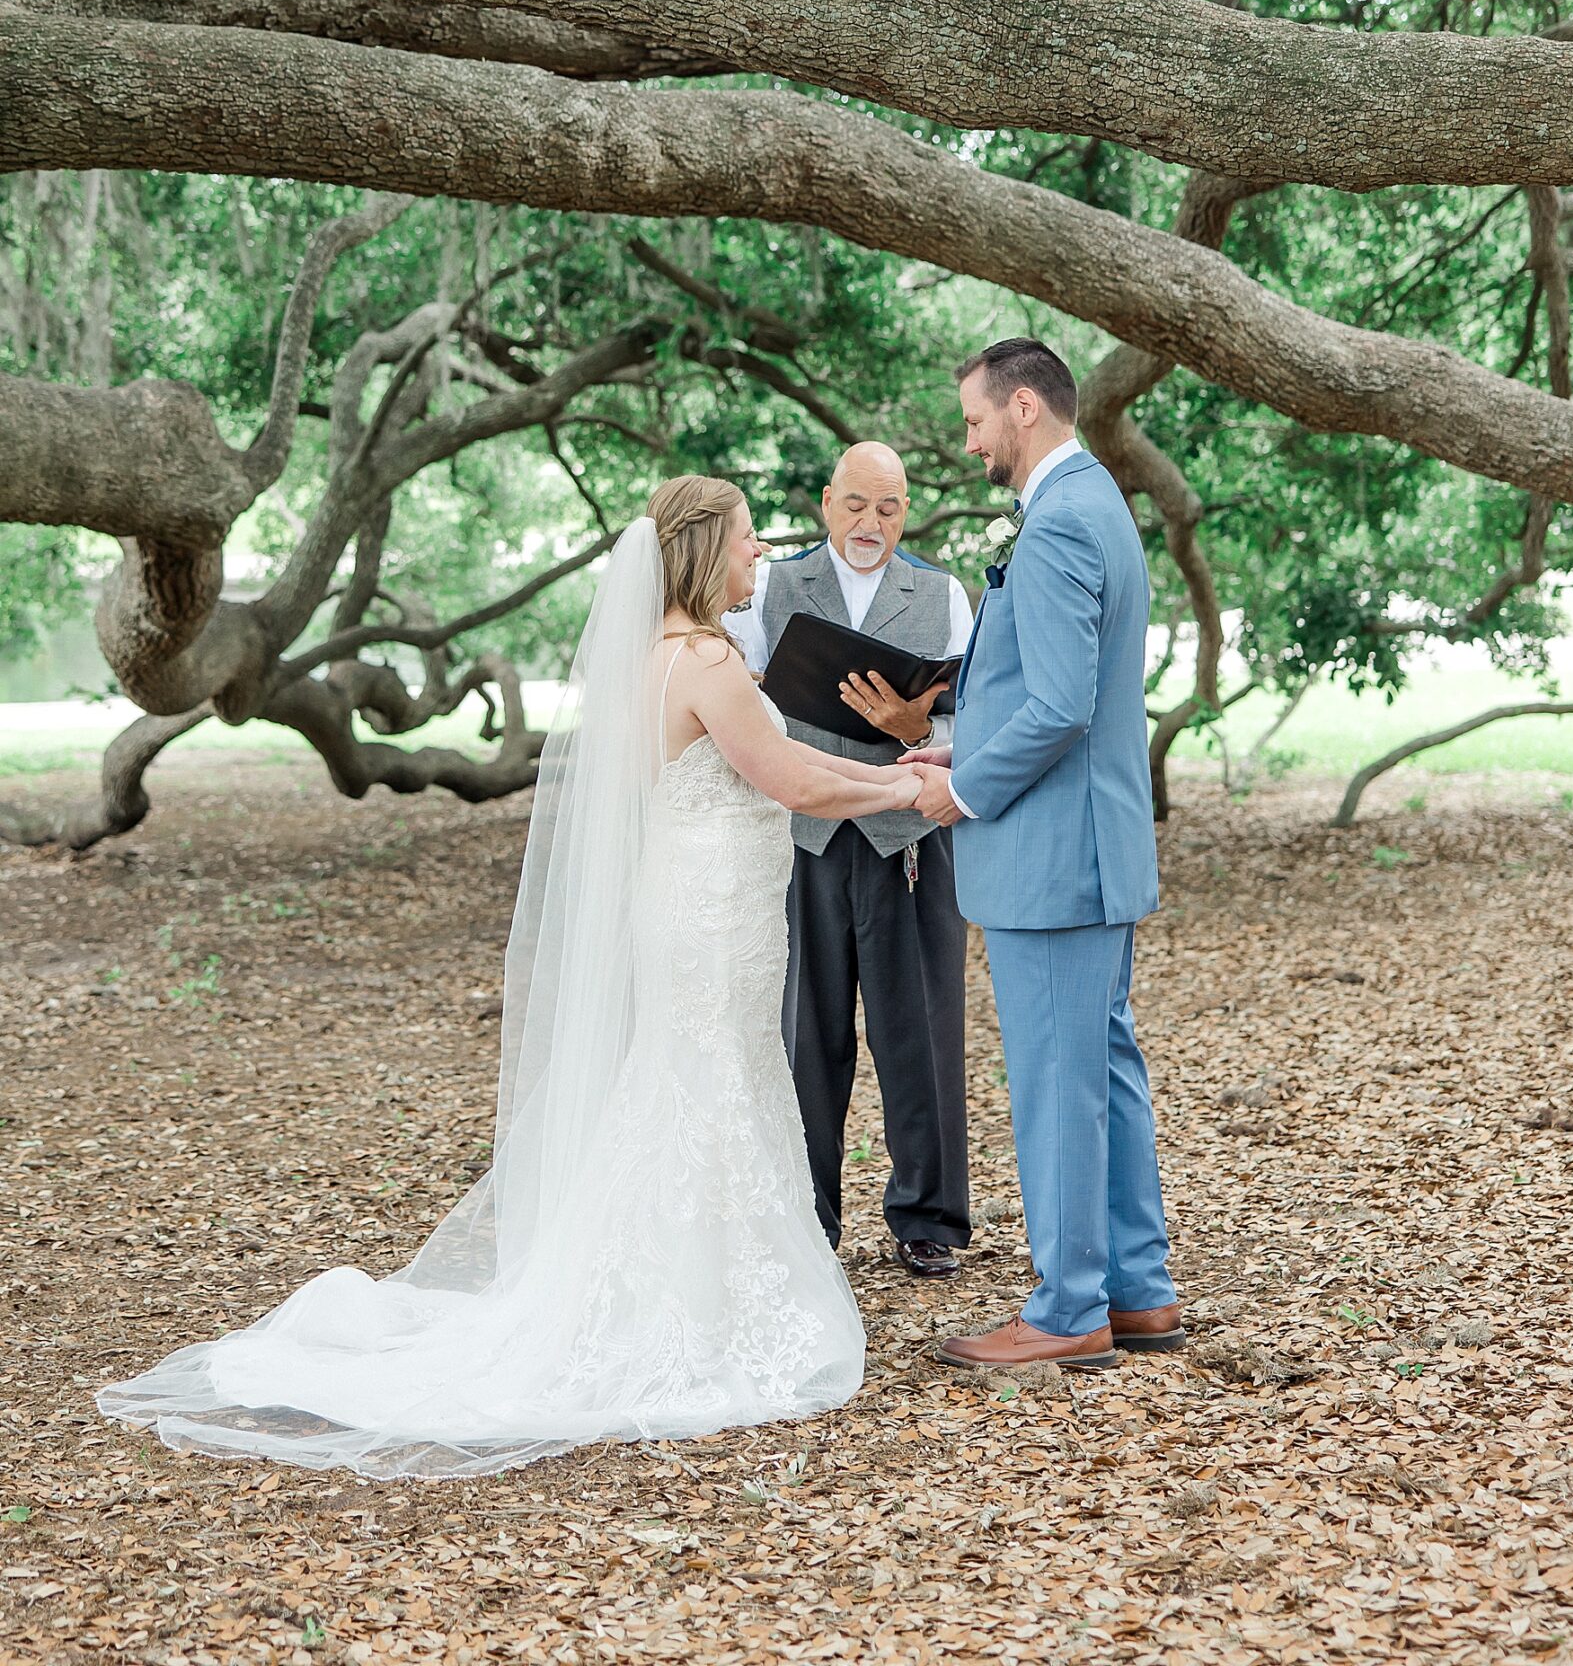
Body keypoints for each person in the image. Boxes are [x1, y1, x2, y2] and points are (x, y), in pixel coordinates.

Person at [96, 477, 922, 1476]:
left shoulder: (656, 662)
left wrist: (896, 777)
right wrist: (917, 781)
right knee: (709, 1082)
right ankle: (696, 1312)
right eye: (748, 540)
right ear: (705, 551)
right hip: (711, 917)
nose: (761, 555)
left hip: (700, 908)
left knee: (701, 1081)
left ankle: (696, 1286)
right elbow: (795, 780)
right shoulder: (707, 662)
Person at [903, 340, 1184, 1371]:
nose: (970, 438)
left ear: (1024, 407)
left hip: (1053, 859)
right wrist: (961, 740)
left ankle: (1070, 1309)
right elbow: (1056, 690)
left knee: (1059, 1082)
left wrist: (963, 787)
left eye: (976, 418)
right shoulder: (1093, 502)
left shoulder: (1063, 519)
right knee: (1101, 1072)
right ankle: (1139, 1293)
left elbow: (1063, 705)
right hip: (1083, 847)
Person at [726, 443, 976, 1280]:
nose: (871, 524)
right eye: (856, 505)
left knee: (923, 1029)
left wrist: (916, 730)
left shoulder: (941, 594)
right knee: (807, 1034)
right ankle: (808, 1216)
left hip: (909, 839)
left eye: (890, 509)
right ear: (826, 500)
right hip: (802, 838)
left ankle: (928, 1217)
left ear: (907, 513)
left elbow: (974, 726)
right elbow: (739, 698)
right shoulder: (768, 587)